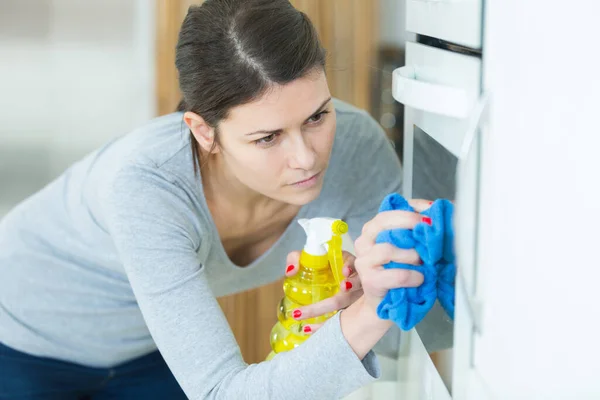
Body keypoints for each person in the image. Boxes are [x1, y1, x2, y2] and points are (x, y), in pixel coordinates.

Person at [0, 0, 430, 398]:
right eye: (267, 137)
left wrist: (373, 290)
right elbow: (221, 393)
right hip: (21, 341)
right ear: (204, 131)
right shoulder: (146, 185)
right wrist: (370, 310)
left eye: (317, 115)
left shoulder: (357, 150)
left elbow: (407, 330)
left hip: (147, 348)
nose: (306, 158)